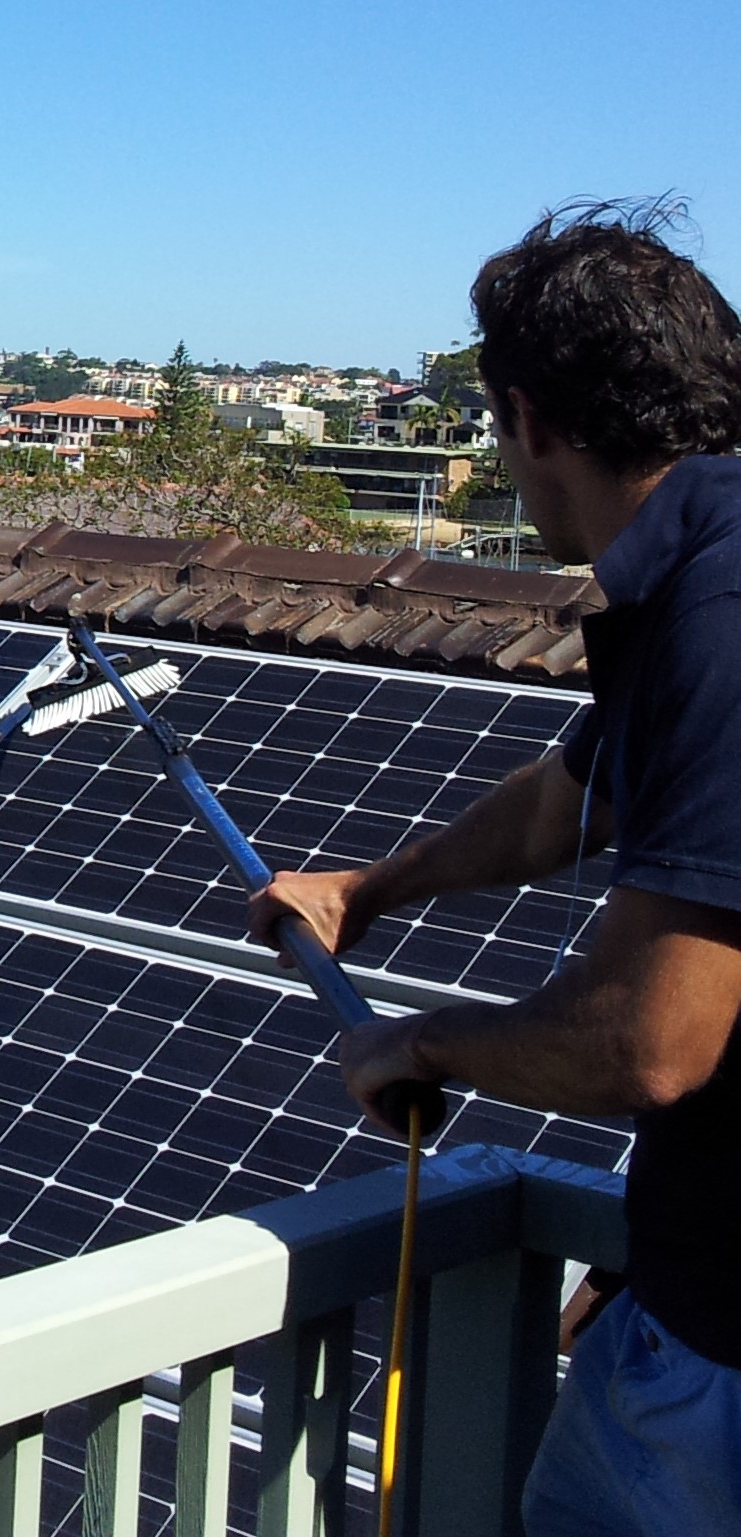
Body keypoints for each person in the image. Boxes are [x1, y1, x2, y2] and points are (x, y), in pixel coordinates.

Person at [249, 201, 741, 1537]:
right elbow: (557, 805)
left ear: (529, 420)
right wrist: (369, 889)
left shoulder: (720, 618)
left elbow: (656, 1040)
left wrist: (427, 1046)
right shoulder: (699, 578)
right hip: (684, 1306)